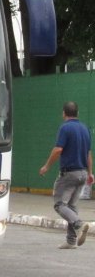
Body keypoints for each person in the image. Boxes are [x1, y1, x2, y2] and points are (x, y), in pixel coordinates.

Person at [39, 101, 94, 249]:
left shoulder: (65, 128)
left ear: (64, 113)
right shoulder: (85, 129)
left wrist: (46, 166)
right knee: (71, 206)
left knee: (59, 205)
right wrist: (90, 173)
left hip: (69, 174)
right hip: (83, 173)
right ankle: (71, 240)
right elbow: (89, 153)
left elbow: (58, 150)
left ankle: (79, 224)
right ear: (77, 113)